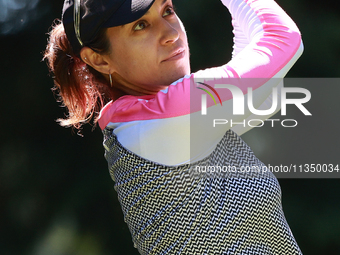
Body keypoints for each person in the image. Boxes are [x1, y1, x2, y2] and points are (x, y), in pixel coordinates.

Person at [44, 0, 304, 254]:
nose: (171, 33)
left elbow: (263, 93)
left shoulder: (144, 121)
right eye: (140, 25)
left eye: (167, 10)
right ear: (99, 60)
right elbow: (282, 39)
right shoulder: (164, 118)